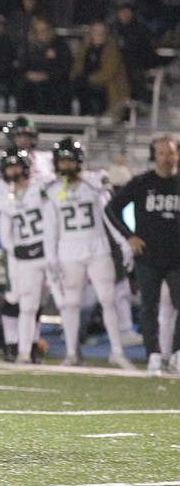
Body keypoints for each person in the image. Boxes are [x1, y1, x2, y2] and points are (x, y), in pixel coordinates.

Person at [43, 138, 135, 370]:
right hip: (69, 250)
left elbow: (110, 215)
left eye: (69, 160)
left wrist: (123, 242)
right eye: (62, 161)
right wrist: (50, 257)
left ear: (79, 161)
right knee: (71, 303)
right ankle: (72, 352)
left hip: (98, 247)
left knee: (108, 299)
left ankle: (116, 351)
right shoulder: (52, 191)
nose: (65, 166)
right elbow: (50, 228)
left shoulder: (95, 182)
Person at [106, 135, 180, 376]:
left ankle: (177, 354)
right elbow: (112, 208)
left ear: (177, 154)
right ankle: (154, 356)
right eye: (161, 153)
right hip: (148, 256)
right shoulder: (142, 182)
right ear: (154, 156)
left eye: (170, 153)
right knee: (149, 307)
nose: (166, 158)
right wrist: (129, 236)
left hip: (177, 257)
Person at [0, 147, 57, 364]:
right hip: (27, 254)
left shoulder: (42, 187)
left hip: (53, 250)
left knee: (66, 302)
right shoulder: (5, 197)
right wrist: (14, 253)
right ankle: (24, 351)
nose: (12, 171)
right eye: (9, 167)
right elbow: (5, 231)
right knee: (27, 304)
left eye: (16, 166)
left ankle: (72, 350)